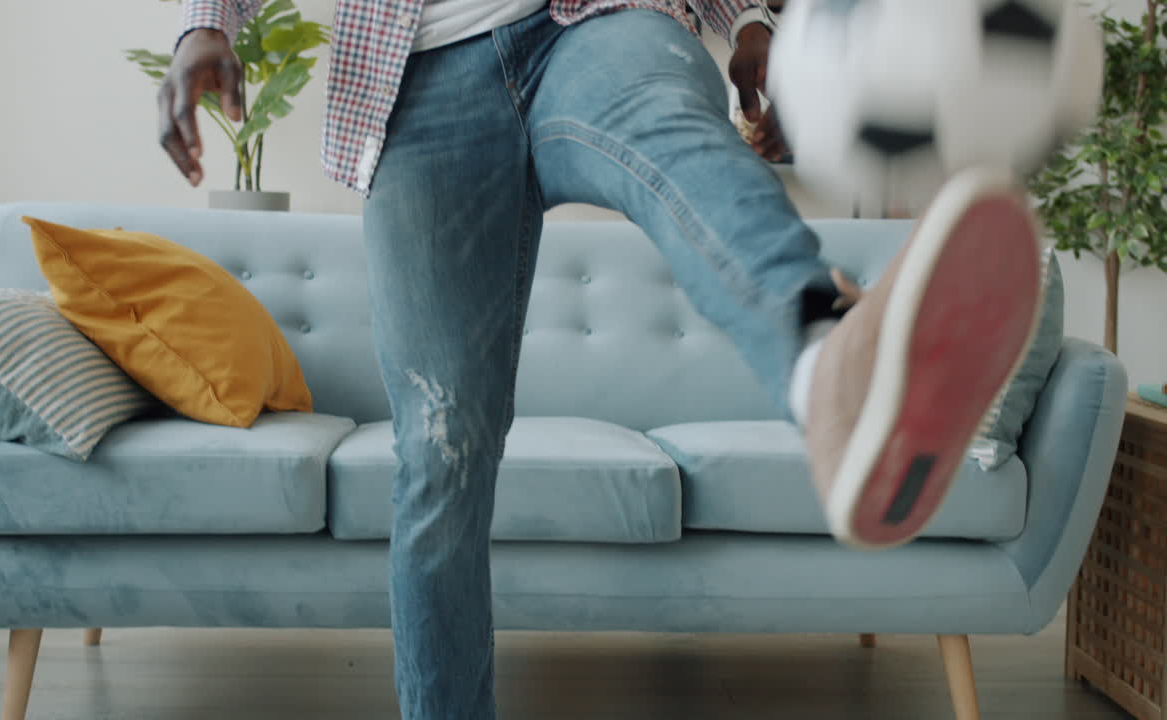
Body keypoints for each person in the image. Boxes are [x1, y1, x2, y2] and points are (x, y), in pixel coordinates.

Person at [156, 1, 1043, 717]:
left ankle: (824, 360)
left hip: (599, 25)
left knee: (665, 134)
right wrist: (208, 20)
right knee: (439, 453)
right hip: (416, 85)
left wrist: (751, 25)